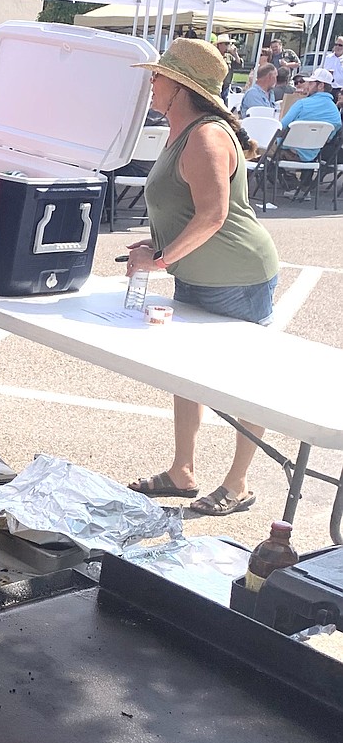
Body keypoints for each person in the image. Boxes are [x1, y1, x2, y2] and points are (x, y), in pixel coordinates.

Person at [126, 39, 279, 517]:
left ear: (180, 87)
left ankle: (238, 484)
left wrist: (162, 258)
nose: (151, 83)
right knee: (187, 373)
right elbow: (183, 209)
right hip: (200, 274)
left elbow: (212, 216)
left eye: (158, 77)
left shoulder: (205, 136)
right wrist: (156, 248)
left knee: (243, 380)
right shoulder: (186, 131)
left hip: (236, 276)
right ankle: (183, 472)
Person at [276, 67, 341, 162]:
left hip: (288, 151)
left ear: (320, 86)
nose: (307, 86)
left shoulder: (302, 104)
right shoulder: (335, 114)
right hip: (313, 156)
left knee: (256, 146)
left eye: (311, 83)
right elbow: (328, 138)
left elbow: (281, 127)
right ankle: (288, 175)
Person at [213, 32, 242, 101]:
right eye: (226, 44)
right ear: (219, 45)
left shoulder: (229, 57)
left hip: (226, 86)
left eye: (229, 44)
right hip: (215, 86)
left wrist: (235, 54)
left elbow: (239, 65)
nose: (228, 46)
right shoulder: (214, 56)